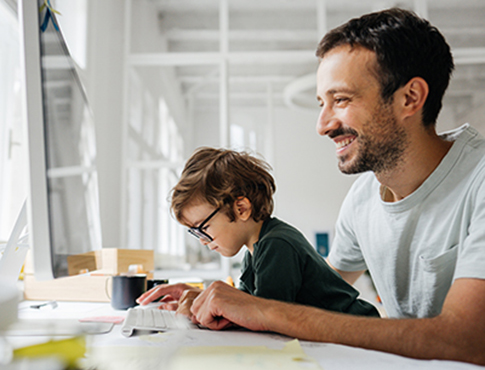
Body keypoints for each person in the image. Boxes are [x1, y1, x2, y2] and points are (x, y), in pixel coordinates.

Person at [162, 7, 485, 365]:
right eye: (321, 103)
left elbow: (467, 341)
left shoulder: (479, 181)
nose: (323, 125)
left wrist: (264, 310)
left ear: (410, 98)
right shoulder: (363, 197)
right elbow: (322, 282)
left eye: (341, 99)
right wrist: (209, 297)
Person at [137, 147, 379, 318]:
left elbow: (262, 317)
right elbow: (243, 304)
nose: (202, 241)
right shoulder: (255, 250)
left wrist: (199, 308)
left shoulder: (276, 245)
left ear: (241, 208)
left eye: (204, 228)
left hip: (358, 334)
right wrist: (198, 298)